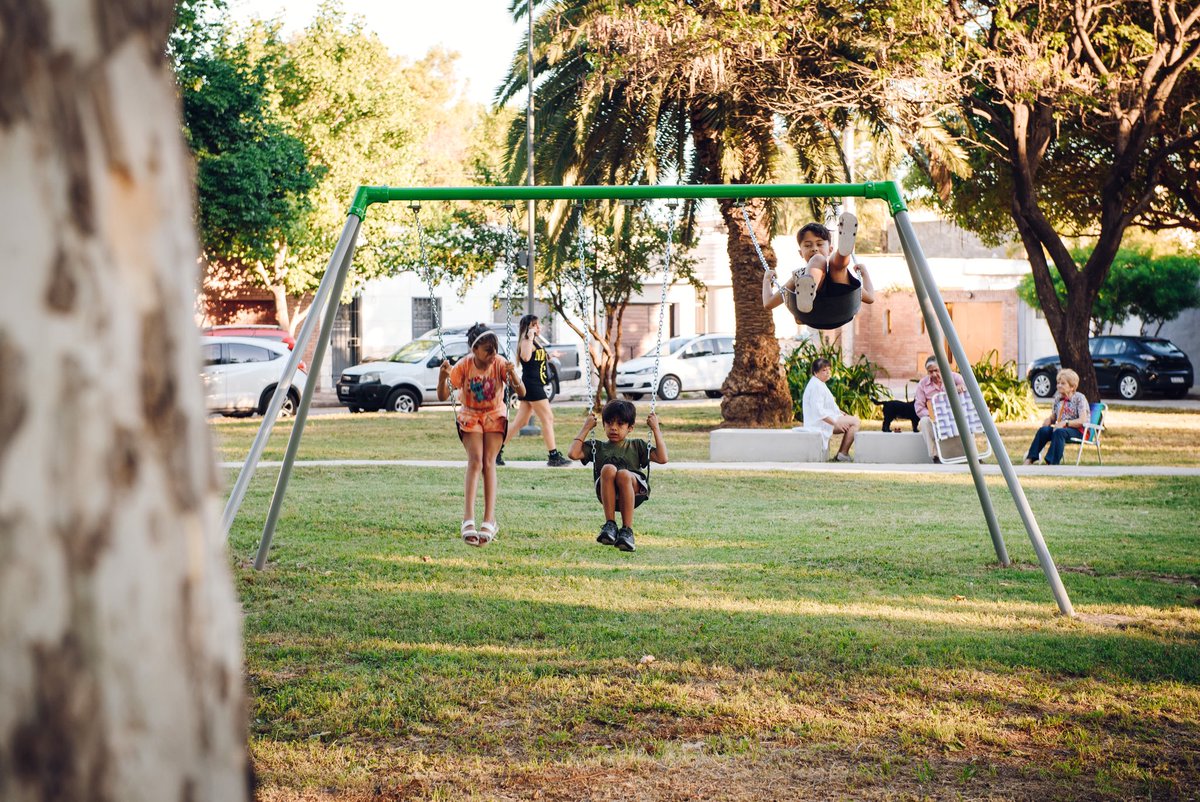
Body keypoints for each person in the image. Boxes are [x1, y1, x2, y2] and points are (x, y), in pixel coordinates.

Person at [438, 323, 525, 546]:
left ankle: (490, 519)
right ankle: (468, 518)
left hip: (495, 414)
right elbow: (442, 395)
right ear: (474, 349)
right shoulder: (464, 366)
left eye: (495, 349)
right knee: (475, 461)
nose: (492, 354)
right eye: (488, 350)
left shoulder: (498, 364)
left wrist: (512, 373)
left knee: (489, 462)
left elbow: (522, 392)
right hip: (470, 415)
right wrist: (443, 376)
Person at [567, 399, 668, 553]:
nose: (613, 428)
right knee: (608, 469)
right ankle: (610, 525)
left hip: (635, 491)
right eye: (609, 423)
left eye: (620, 424)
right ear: (603, 425)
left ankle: (627, 531)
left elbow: (662, 458)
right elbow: (573, 454)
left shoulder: (637, 445)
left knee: (623, 474)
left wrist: (655, 429)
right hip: (608, 493)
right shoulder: (598, 447)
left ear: (630, 428)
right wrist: (586, 427)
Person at [762, 213, 875, 328]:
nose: (814, 248)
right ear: (800, 253)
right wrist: (767, 280)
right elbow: (769, 303)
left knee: (834, 265)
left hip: (839, 305)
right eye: (807, 245)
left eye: (820, 244)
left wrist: (864, 273)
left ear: (830, 249)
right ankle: (809, 292)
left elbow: (870, 298)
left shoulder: (799, 276)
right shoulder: (799, 277)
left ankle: (843, 251)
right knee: (822, 260)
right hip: (823, 311)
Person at [497, 314, 571, 467]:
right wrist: (530, 337)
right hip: (532, 385)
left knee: (521, 422)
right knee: (548, 418)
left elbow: (536, 358)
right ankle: (553, 456)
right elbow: (525, 357)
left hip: (533, 384)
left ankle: (496, 451)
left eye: (538, 325)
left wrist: (551, 355)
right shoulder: (526, 341)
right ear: (528, 327)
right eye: (535, 325)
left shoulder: (534, 341)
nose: (538, 327)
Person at [1023, 368, 1089, 465]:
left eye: (1063, 383)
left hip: (1078, 431)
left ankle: (1052, 463)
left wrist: (1065, 423)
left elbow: (1082, 420)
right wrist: (1049, 420)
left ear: (1072, 387)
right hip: (1061, 429)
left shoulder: (1079, 398)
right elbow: (1054, 417)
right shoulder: (1058, 398)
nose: (1059, 385)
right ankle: (1030, 459)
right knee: (1043, 431)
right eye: (1058, 383)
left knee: (1059, 432)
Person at [801, 358, 859, 462]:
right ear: (815, 372)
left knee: (852, 420)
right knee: (855, 422)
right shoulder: (816, 386)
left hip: (823, 420)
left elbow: (825, 405)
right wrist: (835, 423)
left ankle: (842, 454)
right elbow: (818, 411)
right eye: (824, 370)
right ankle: (843, 454)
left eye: (829, 369)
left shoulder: (818, 383)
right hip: (818, 423)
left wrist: (839, 412)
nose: (828, 372)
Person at [914, 355, 967, 463]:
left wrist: (960, 387)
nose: (933, 374)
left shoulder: (955, 377)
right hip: (935, 419)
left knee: (967, 418)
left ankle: (974, 455)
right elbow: (919, 408)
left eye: (936, 370)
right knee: (924, 421)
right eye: (930, 372)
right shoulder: (922, 384)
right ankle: (935, 456)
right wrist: (933, 416)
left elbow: (967, 390)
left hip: (954, 416)